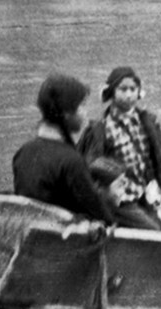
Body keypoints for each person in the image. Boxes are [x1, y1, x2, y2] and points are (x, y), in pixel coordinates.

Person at [78, 66, 161, 229]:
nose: (129, 95)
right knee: (153, 231)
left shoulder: (147, 122)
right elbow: (92, 171)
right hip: (121, 200)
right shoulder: (100, 129)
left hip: (147, 193)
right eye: (123, 89)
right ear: (112, 92)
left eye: (133, 89)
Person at [12, 74, 113, 223]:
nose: (85, 113)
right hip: (61, 233)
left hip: (32, 225)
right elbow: (101, 216)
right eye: (82, 106)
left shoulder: (23, 152)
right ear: (66, 114)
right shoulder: (71, 160)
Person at [88, 156, 161, 230]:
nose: (124, 191)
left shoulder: (123, 210)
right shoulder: (89, 213)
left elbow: (154, 228)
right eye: (119, 185)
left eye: (124, 184)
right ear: (98, 187)